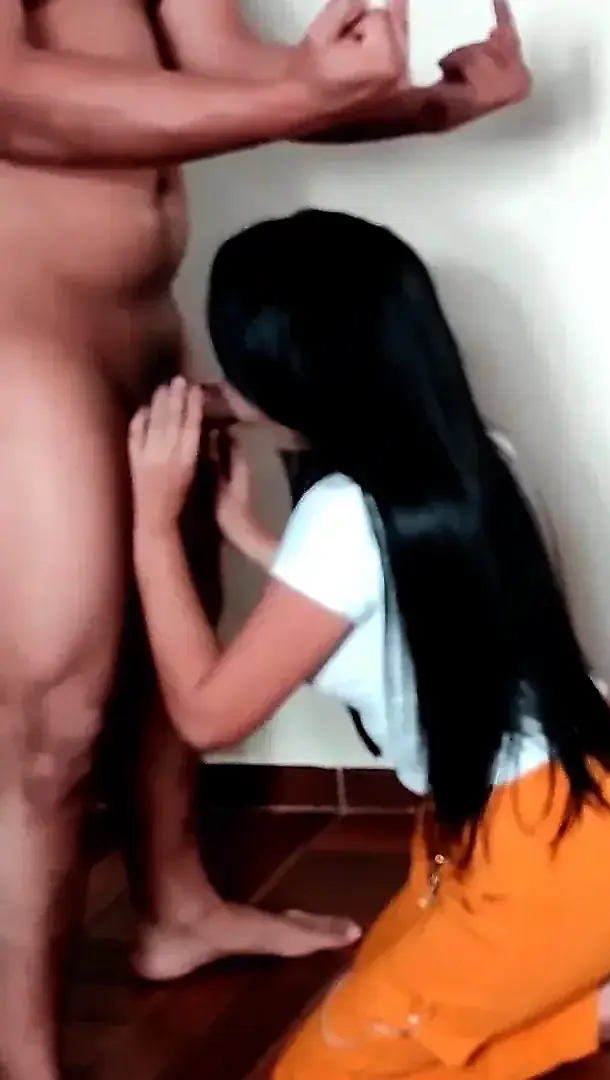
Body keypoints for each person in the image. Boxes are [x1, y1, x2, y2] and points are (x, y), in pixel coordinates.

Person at [123, 208, 610, 1079]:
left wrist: (152, 524)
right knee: (388, 995)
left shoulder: (341, 518)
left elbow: (207, 715)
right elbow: (377, 607)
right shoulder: (473, 459)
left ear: (291, 375)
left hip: (546, 853)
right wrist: (250, 534)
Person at [0, 1, 528, 1076]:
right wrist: (297, 93)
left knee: (172, 635)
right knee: (59, 716)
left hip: (140, 316)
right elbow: (11, 98)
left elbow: (231, 68)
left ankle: (178, 909)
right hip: (21, 325)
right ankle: (24, 1054)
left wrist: (424, 106)